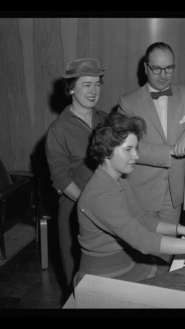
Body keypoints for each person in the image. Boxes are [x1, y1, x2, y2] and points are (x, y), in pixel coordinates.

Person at [75, 112, 185, 285]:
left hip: (126, 262)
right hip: (103, 276)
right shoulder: (99, 195)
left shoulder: (117, 179)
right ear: (106, 152)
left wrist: (182, 230)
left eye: (136, 148)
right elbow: (144, 242)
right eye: (128, 150)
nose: (136, 156)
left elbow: (143, 219)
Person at [117, 42, 185, 262]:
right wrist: (172, 151)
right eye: (157, 69)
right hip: (141, 193)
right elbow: (128, 147)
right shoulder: (128, 102)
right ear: (145, 68)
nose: (163, 75)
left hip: (174, 194)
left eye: (169, 68)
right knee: (142, 256)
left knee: (167, 257)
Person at [46, 58, 108, 292]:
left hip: (107, 205)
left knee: (105, 278)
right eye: (86, 84)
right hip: (76, 210)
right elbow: (61, 180)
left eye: (97, 84)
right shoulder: (58, 130)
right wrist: (90, 206)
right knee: (79, 280)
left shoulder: (105, 120)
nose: (93, 91)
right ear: (71, 88)